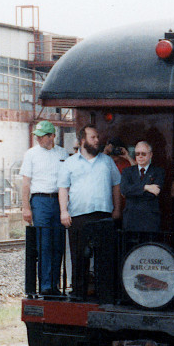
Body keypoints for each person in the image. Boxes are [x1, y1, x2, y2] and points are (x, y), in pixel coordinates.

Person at [58, 125, 122, 294]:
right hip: (78, 217)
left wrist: (117, 209)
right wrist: (64, 211)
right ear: (82, 141)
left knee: (104, 257)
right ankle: (79, 293)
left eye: (97, 137)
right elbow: (63, 188)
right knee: (79, 257)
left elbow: (116, 185)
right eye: (93, 137)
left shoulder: (107, 162)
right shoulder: (70, 163)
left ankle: (104, 294)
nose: (97, 140)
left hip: (103, 216)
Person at [19, 120, 68, 294]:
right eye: (37, 137)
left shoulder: (62, 153)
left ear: (52, 136)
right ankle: (46, 285)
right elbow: (26, 183)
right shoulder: (31, 154)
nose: (39, 140)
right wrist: (26, 207)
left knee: (58, 243)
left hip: (58, 200)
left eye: (42, 137)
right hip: (40, 200)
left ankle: (54, 283)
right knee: (44, 243)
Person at [119, 140, 164, 234]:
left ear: (150, 155)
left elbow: (153, 194)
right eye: (137, 153)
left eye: (143, 154)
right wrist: (146, 187)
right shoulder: (127, 171)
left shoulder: (158, 172)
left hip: (150, 221)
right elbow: (124, 190)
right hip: (131, 220)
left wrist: (133, 191)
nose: (140, 156)